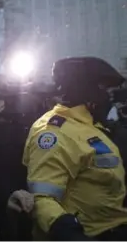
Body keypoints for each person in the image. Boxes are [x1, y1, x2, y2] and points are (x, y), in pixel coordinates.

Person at [23, 57, 127, 240]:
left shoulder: (94, 126)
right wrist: (71, 234)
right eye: (104, 89)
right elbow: (42, 199)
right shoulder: (53, 132)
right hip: (91, 235)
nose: (110, 97)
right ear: (84, 90)